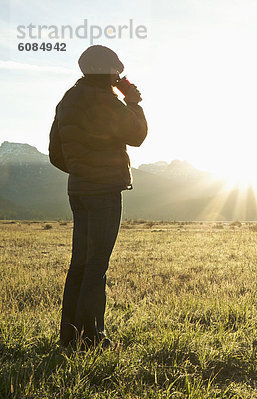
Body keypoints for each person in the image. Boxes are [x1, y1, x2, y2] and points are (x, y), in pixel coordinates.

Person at [49, 45, 147, 349]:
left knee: (80, 263)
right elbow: (138, 134)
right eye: (116, 70)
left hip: (78, 189)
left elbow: (55, 153)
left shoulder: (69, 99)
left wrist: (81, 168)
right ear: (109, 71)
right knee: (96, 266)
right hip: (103, 190)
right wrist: (132, 100)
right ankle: (93, 338)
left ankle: (70, 337)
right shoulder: (107, 100)